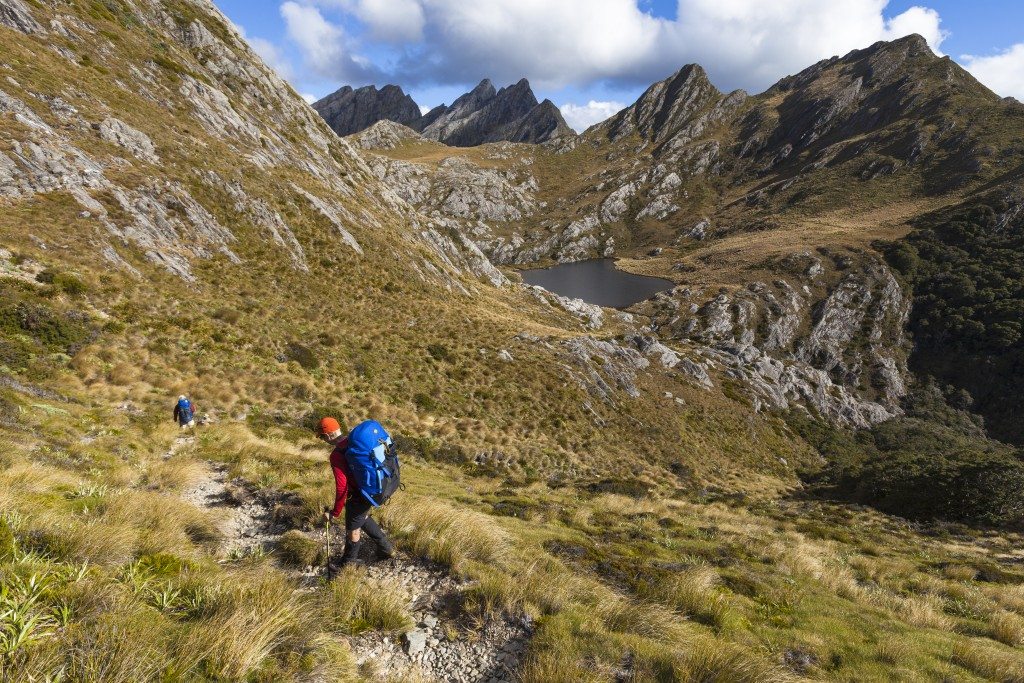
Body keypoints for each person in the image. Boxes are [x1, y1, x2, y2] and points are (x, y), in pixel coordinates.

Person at [320, 417, 395, 568]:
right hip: (372, 489)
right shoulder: (355, 442)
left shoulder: (336, 455)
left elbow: (342, 487)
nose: (322, 440)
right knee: (363, 517)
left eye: (322, 436)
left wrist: (334, 513)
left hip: (358, 495)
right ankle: (387, 549)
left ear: (328, 435)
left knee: (353, 530)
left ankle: (348, 564)